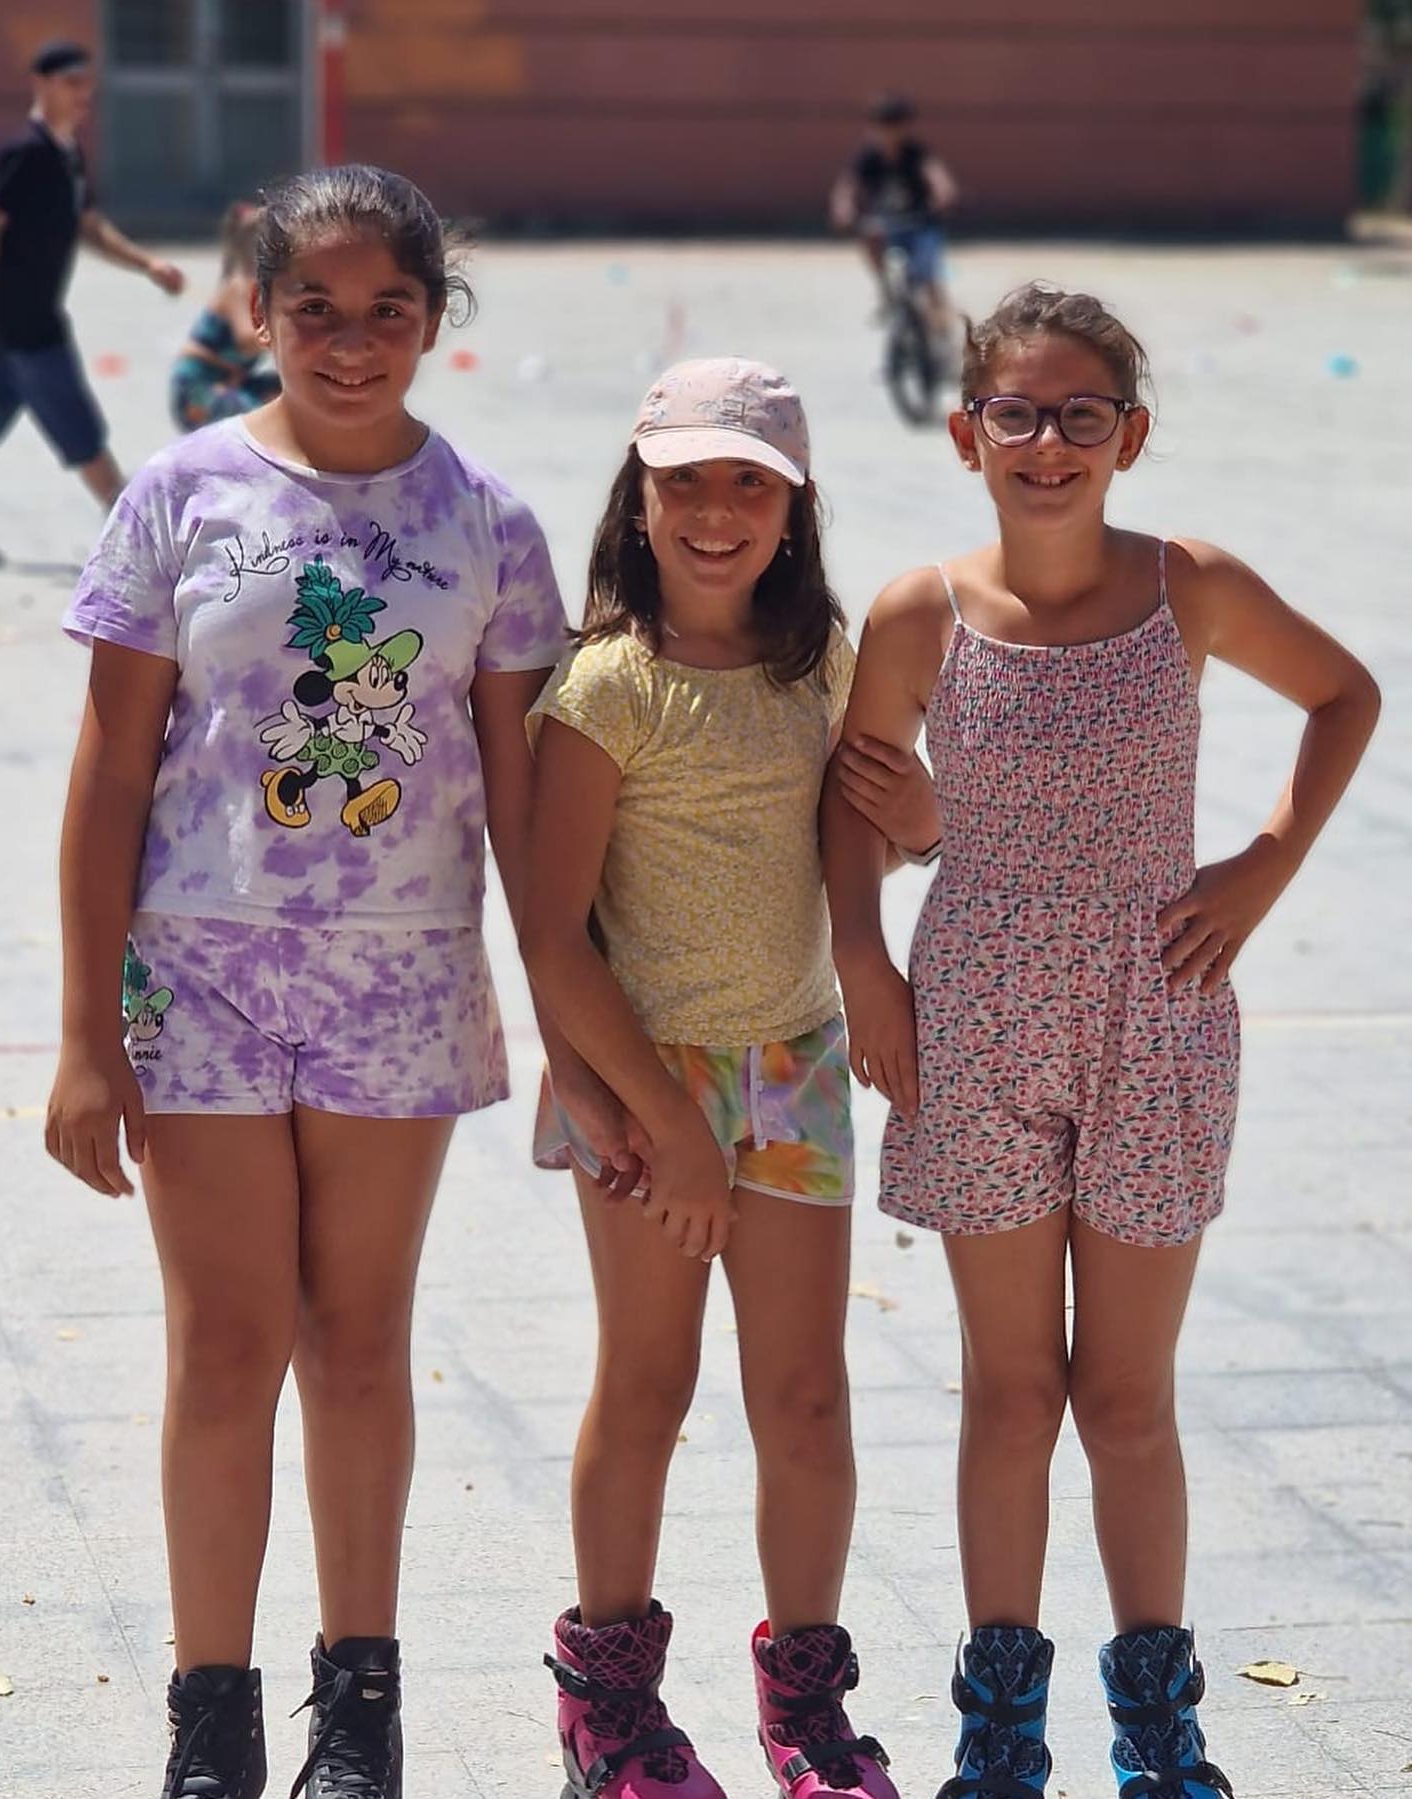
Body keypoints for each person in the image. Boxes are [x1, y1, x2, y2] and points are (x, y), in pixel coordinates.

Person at [45, 164, 569, 1799]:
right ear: (258, 310)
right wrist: (82, 1033)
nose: (350, 342)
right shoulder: (177, 497)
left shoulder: (489, 525)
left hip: (400, 984)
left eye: (387, 310)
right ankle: (211, 1714)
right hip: (196, 977)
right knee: (225, 1343)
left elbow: (530, 812)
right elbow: (108, 776)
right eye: (315, 310)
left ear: (434, 318)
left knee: (356, 1338)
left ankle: (361, 1711)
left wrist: (580, 1033)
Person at [823, 283, 1380, 1799]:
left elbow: (1345, 694)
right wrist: (865, 961)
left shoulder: (1190, 587)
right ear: (967, 434)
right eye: (1017, 411)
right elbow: (856, 801)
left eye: (1083, 413)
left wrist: (1261, 867)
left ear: (1129, 436)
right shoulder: (920, 614)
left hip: (1160, 1014)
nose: (1048, 442)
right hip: (977, 1020)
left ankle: (1158, 1727)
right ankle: (1002, 1729)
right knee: (1010, 1392)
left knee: (1127, 1397)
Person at [519, 358, 941, 1799]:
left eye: (748, 481)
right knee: (647, 1382)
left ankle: (807, 1713)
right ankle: (608, 1712)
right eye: (685, 480)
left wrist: (923, 821)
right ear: (637, 498)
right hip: (644, 1078)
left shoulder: (822, 663)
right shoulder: (606, 686)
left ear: (794, 504)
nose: (715, 510)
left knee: (807, 1397)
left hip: (796, 1064)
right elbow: (552, 933)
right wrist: (670, 1129)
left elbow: (868, 832)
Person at [0, 39, 185, 565]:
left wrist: (146, 264)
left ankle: (139, 536)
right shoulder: (25, 152)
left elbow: (88, 225)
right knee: (79, 428)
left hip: (26, 321)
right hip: (25, 323)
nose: (82, 94)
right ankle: (142, 541)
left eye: (86, 84)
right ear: (41, 84)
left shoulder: (68, 154)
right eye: (71, 83)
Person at [830, 94, 958, 338]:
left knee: (928, 278)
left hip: (920, 223)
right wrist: (843, 208)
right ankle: (885, 290)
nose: (889, 133)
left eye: (894, 126)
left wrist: (943, 194)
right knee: (870, 237)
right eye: (883, 127)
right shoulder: (868, 157)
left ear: (905, 126)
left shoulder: (916, 153)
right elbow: (847, 185)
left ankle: (941, 335)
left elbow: (936, 176)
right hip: (886, 225)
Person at [171, 201, 280, 431]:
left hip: (228, 380)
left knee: (289, 393)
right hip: (198, 388)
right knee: (262, 421)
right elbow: (247, 339)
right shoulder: (239, 285)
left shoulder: (253, 285)